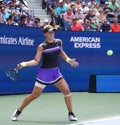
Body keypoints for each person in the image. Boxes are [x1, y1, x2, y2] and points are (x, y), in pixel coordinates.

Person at [11, 25, 79, 121]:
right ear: (45, 34)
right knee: (35, 95)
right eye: (50, 32)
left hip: (55, 72)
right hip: (44, 74)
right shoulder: (41, 47)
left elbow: (61, 52)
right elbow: (36, 61)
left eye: (53, 32)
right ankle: (18, 111)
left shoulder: (59, 42)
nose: (52, 34)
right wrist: (24, 64)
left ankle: (71, 113)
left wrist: (68, 60)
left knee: (67, 91)